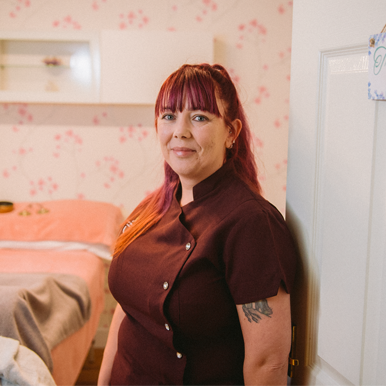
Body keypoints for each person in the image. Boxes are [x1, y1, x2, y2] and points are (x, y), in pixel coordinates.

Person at [98, 63, 297, 386]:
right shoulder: (152, 206)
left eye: (200, 117)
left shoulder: (251, 224)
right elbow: (128, 312)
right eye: (169, 116)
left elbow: (267, 364)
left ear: (231, 132)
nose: (180, 131)